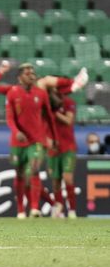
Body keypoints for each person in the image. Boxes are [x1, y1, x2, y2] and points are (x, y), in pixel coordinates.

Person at [5, 63, 57, 218]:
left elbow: (49, 116)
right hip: (18, 141)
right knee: (20, 174)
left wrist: (53, 138)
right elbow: (9, 117)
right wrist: (16, 131)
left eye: (33, 73)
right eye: (28, 73)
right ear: (20, 77)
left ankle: (34, 208)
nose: (31, 76)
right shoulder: (12, 93)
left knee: (33, 170)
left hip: (36, 140)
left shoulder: (41, 93)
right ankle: (20, 210)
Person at [47, 88, 78, 219]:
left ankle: (72, 210)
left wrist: (54, 113)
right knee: (55, 181)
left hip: (68, 147)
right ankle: (59, 210)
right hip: (53, 149)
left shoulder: (69, 102)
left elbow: (68, 120)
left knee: (67, 178)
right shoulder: (46, 106)